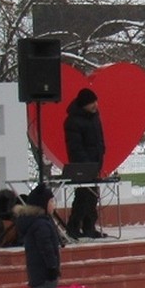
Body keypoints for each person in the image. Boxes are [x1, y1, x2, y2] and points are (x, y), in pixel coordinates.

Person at [17, 183, 63, 288]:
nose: (54, 205)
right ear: (43, 204)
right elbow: (46, 248)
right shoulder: (41, 224)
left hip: (37, 268)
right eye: (51, 202)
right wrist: (52, 266)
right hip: (43, 268)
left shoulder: (39, 221)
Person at [63, 88, 107, 239]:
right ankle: (73, 226)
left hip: (95, 163)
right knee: (82, 196)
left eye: (96, 101)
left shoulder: (94, 117)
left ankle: (89, 227)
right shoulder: (73, 121)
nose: (95, 105)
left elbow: (99, 138)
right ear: (84, 105)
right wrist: (86, 164)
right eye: (91, 103)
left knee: (93, 196)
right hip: (82, 165)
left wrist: (101, 154)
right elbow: (75, 147)